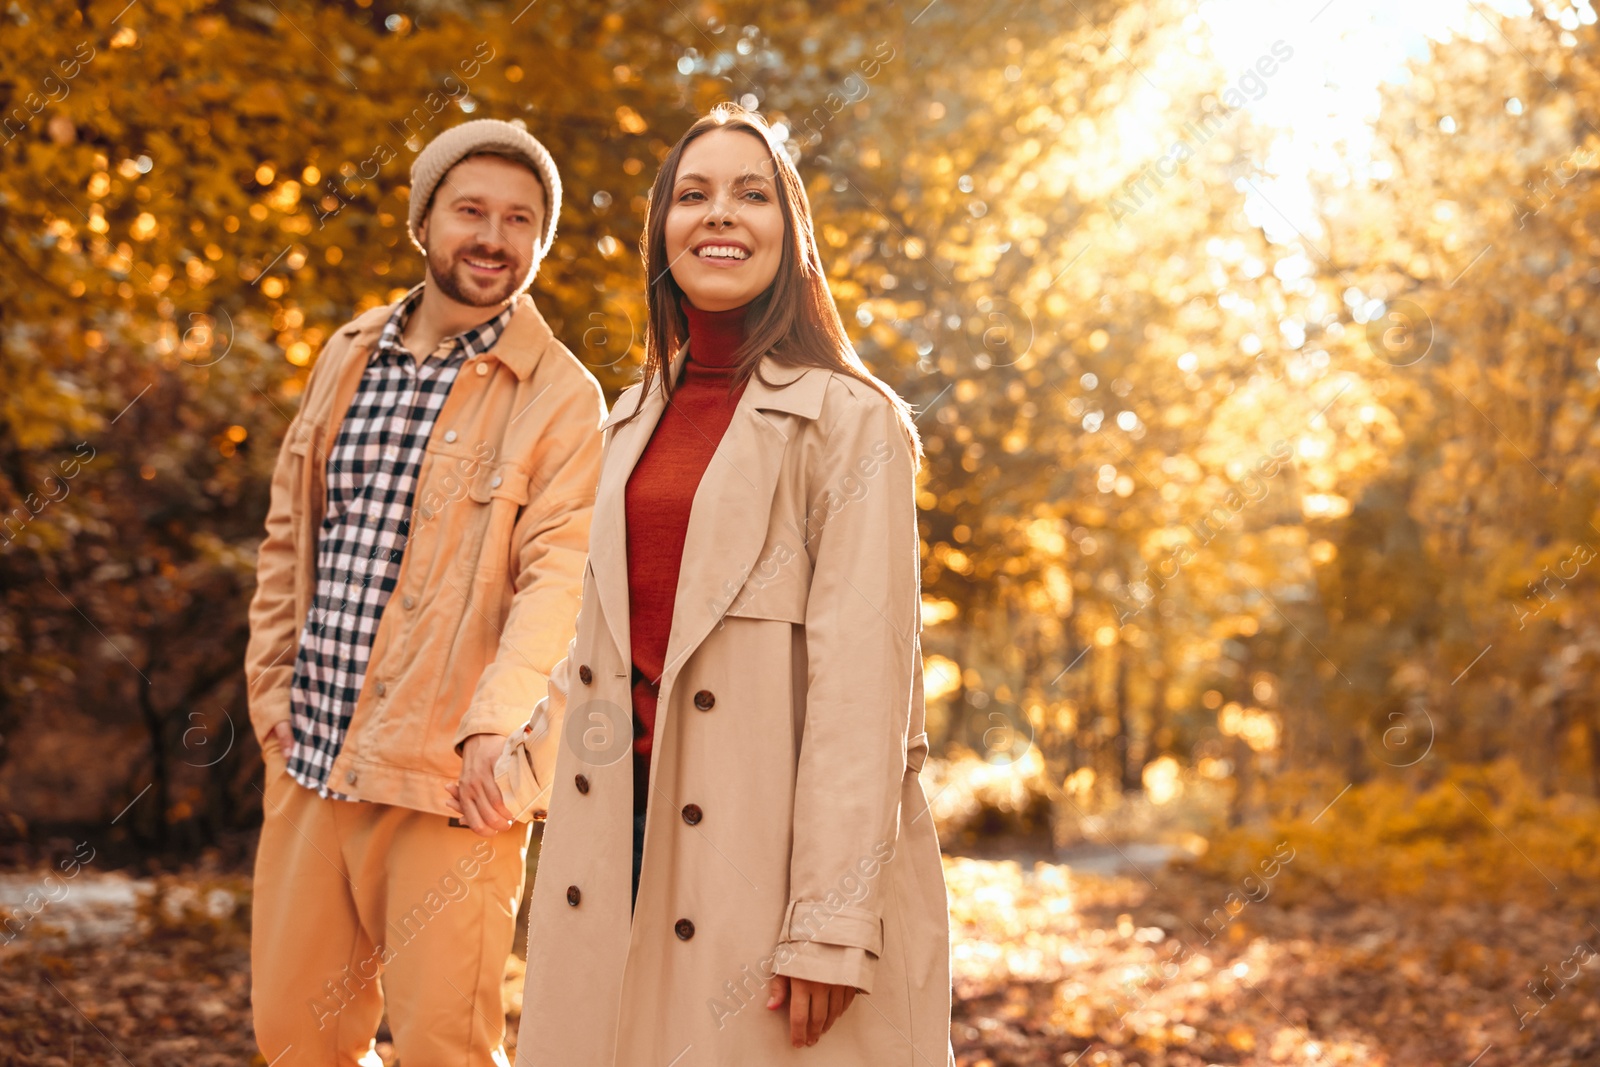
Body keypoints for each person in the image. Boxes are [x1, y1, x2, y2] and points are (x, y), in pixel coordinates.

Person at [457, 104, 954, 1066]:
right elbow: (607, 654)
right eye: (693, 195)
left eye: (750, 193)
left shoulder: (851, 424)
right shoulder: (629, 420)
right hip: (613, 853)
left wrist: (831, 922)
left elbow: (865, 694)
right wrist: (514, 767)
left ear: (788, 231)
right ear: (664, 235)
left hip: (757, 870)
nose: (719, 214)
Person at [245, 118, 605, 1067]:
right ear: (424, 222)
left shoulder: (561, 397)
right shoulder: (349, 351)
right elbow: (291, 533)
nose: (493, 237)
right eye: (471, 211)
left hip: (450, 784)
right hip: (314, 754)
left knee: (445, 1048)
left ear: (540, 240)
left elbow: (560, 581)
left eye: (519, 220)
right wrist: (269, 688)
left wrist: (499, 736)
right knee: (294, 1041)